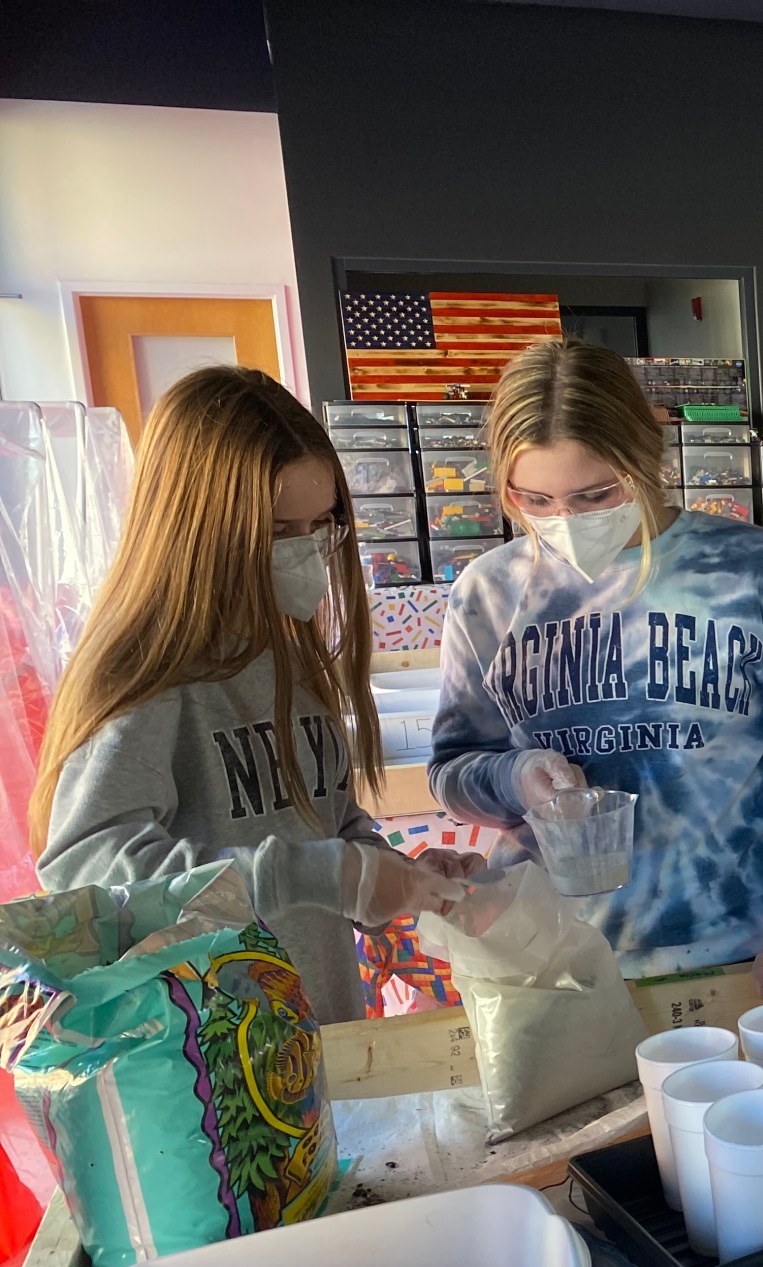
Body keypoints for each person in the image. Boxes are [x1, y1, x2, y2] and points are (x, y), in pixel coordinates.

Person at [33, 366, 471, 1027]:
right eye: (276, 531)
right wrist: (326, 875)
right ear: (200, 531)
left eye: (321, 525)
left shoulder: (287, 649)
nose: (306, 553)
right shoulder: (150, 675)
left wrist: (395, 876)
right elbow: (86, 877)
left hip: (318, 1032)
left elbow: (324, 826)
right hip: (210, 1072)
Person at [430, 338, 763, 1000]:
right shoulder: (488, 595)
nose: (566, 521)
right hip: (547, 959)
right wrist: (515, 776)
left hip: (729, 948)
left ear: (645, 457)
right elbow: (453, 770)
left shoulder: (750, 570)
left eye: (595, 493)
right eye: (534, 501)